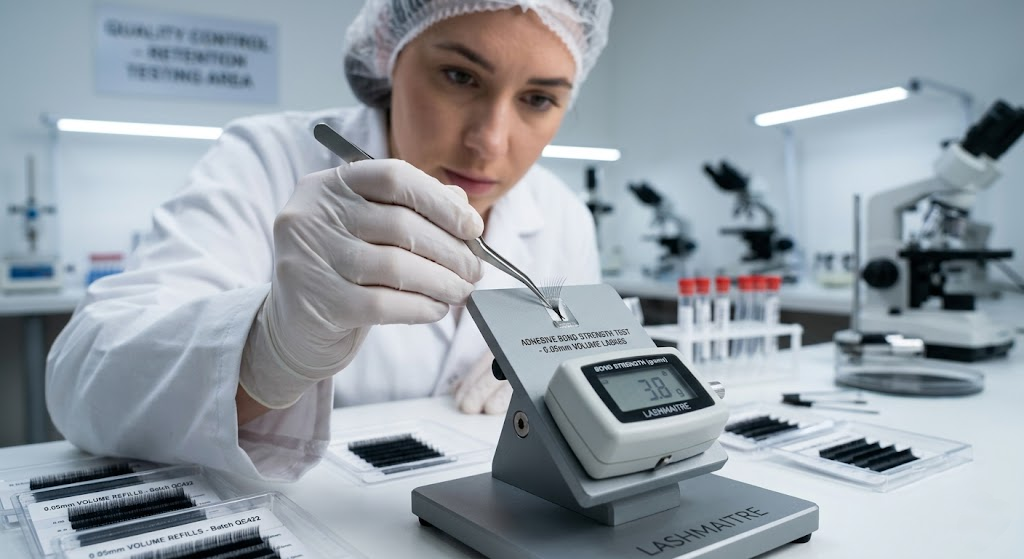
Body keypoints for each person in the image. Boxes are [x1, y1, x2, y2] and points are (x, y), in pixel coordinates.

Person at [46, 0, 612, 481]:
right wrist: (268, 352)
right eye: (460, 77)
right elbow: (82, 385)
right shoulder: (265, 159)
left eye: (538, 99)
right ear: (390, 52)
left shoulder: (563, 216)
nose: (489, 142)